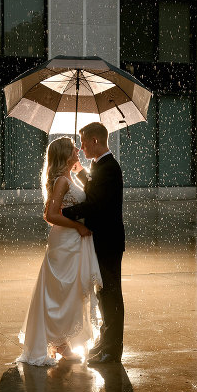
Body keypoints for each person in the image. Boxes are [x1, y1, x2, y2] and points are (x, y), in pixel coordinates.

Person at [16, 137, 103, 367]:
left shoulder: (67, 177)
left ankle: (60, 342)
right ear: (66, 154)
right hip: (66, 241)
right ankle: (60, 344)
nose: (78, 149)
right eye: (74, 147)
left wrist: (80, 171)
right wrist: (78, 226)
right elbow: (51, 215)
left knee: (67, 294)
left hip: (72, 242)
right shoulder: (62, 181)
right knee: (62, 293)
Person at [62, 122, 125, 365]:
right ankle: (104, 342)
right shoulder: (100, 166)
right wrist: (80, 172)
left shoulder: (109, 168)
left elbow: (94, 205)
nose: (82, 147)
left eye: (84, 142)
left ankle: (113, 350)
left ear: (96, 141)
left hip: (108, 242)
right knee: (102, 294)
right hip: (100, 240)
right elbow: (93, 191)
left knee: (111, 296)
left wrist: (64, 213)